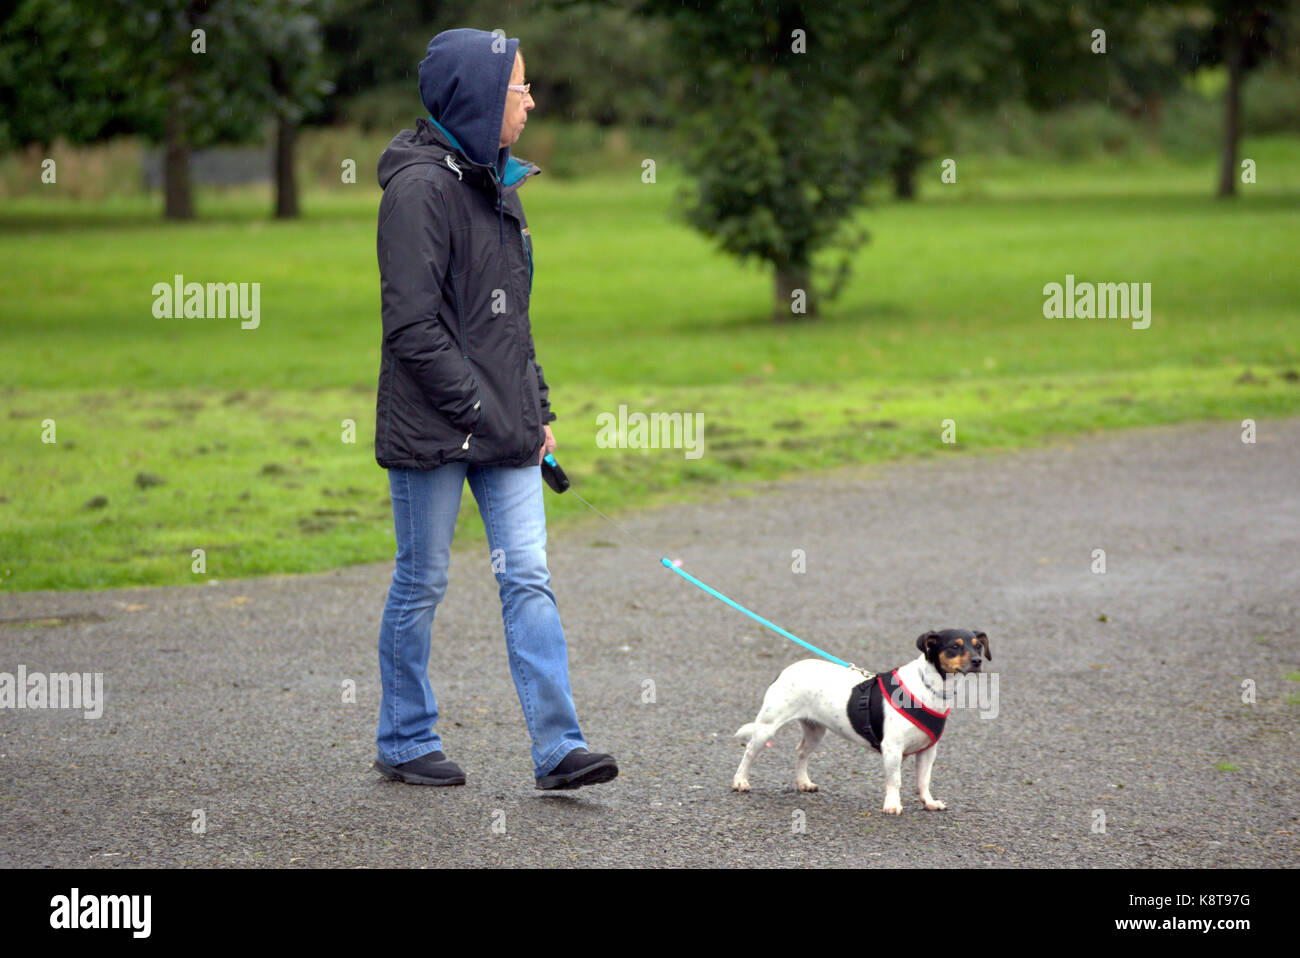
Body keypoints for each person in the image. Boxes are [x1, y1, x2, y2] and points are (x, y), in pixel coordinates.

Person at [371, 28, 616, 790]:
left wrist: (533, 409)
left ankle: (559, 750)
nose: (532, 101)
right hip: (434, 428)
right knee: (423, 580)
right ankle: (405, 739)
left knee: (529, 577)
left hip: (506, 428)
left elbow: (511, 326)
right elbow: (412, 326)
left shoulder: (497, 183)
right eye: (521, 88)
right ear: (479, 98)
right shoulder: (419, 191)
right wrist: (480, 407)